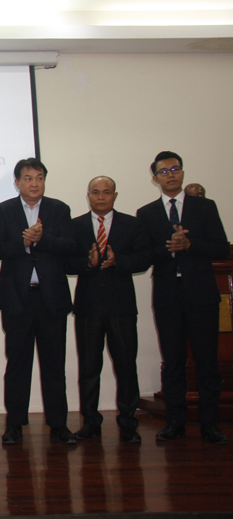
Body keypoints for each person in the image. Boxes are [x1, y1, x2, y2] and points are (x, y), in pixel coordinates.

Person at [136, 151, 229, 445]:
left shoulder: (205, 207)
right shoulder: (147, 213)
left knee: (207, 361)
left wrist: (190, 244)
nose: (171, 175)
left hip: (202, 295)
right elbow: (144, 256)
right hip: (168, 297)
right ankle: (175, 422)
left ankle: (210, 424)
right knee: (173, 361)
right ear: (155, 178)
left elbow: (221, 247)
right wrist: (170, 248)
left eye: (175, 169)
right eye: (164, 172)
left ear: (183, 173)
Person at [0, 158, 77, 445]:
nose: (34, 183)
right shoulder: (3, 210)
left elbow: (70, 246)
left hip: (51, 299)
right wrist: (24, 243)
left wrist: (42, 240)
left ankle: (59, 425)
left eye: (39, 178)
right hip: (17, 299)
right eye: (28, 178)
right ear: (17, 182)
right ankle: (14, 425)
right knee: (17, 365)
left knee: (54, 365)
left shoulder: (59, 209)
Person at [67, 176, 151, 443]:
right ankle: (91, 422)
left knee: (126, 367)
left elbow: (144, 258)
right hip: (88, 308)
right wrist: (87, 264)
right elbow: (64, 262)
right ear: (88, 196)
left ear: (115, 195)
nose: (101, 197)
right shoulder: (75, 226)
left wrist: (119, 261)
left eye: (106, 192)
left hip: (121, 307)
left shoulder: (132, 224)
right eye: (95, 192)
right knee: (89, 369)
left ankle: (128, 424)